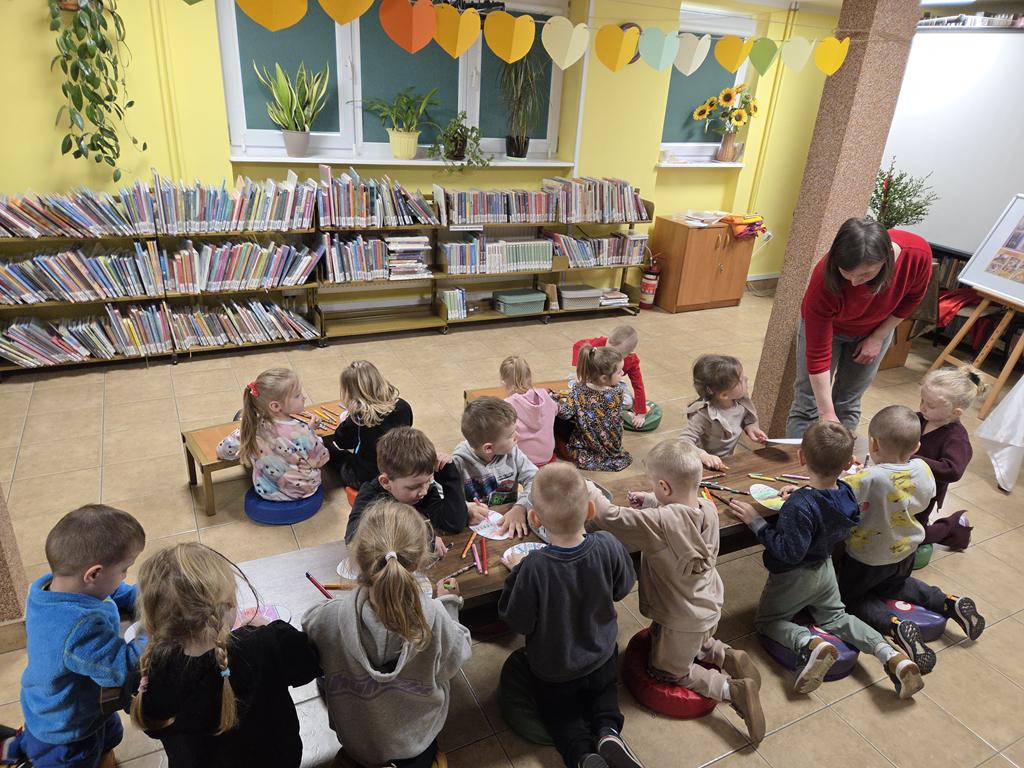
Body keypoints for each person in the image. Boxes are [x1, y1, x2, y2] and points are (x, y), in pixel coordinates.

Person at [727, 422, 924, 699]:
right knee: (837, 616)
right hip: (826, 569)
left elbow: (788, 551)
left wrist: (756, 522)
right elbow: (824, 504)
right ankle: (890, 654)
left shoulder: (800, 506)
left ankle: (809, 644)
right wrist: (801, 492)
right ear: (847, 464)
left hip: (795, 577)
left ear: (801, 457)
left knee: (768, 621)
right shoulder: (846, 491)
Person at [587, 440, 765, 745]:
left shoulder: (657, 522)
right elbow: (681, 516)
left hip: (680, 616)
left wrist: (590, 492)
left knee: (668, 671)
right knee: (695, 641)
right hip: (707, 604)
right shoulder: (707, 507)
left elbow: (609, 518)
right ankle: (725, 654)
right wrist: (652, 500)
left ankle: (731, 689)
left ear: (665, 487)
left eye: (654, 487)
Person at [304, 500, 472, 768]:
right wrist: (449, 603)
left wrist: (334, 611)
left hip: (357, 744)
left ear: (357, 559)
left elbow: (310, 636)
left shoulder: (326, 618)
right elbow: (456, 658)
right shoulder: (434, 616)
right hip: (415, 744)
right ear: (418, 563)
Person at [498, 463, 640, 768]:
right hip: (602, 656)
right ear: (590, 510)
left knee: (562, 719)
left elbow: (519, 620)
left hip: (555, 669)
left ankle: (582, 755)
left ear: (535, 519)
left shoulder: (534, 567)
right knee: (605, 698)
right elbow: (623, 587)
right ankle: (609, 733)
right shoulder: (609, 545)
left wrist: (517, 573)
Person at [131, 543, 320, 768]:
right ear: (230, 603)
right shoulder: (269, 643)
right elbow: (310, 666)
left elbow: (153, 726)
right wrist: (267, 627)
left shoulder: (148, 672)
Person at [836, 405, 985, 674]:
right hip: (905, 551)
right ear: (916, 446)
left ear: (873, 443)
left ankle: (895, 626)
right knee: (897, 584)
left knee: (853, 598)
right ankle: (948, 603)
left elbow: (839, 497)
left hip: (866, 557)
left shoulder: (867, 478)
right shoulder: (923, 468)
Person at [14, 505, 146, 768]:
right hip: (67, 730)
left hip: (79, 703)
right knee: (82, 758)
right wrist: (154, 631)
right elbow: (121, 668)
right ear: (94, 574)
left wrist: (148, 597)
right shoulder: (78, 628)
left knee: (107, 738)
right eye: (124, 569)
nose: (125, 576)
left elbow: (116, 592)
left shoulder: (51, 585)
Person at [786, 218, 933, 438]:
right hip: (830, 330)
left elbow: (912, 299)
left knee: (848, 401)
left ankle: (837, 466)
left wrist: (878, 337)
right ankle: (796, 467)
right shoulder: (823, 279)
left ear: (885, 260)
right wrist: (826, 413)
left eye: (865, 274)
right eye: (847, 272)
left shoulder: (917, 254)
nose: (854, 282)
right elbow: (817, 356)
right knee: (808, 401)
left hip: (876, 328)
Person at [346, 426, 468, 558]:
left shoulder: (423, 491)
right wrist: (424, 537)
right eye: (412, 487)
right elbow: (353, 539)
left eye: (428, 480)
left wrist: (449, 476)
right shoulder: (370, 494)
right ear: (386, 482)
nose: (424, 492)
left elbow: (453, 524)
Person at [216, 367, 330, 501]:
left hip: (268, 491)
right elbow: (322, 459)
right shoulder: (302, 431)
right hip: (303, 491)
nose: (303, 397)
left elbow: (223, 450)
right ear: (275, 406)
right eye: (297, 395)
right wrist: (312, 434)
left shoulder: (251, 427)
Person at [914, 366, 986, 548]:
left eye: (931, 405)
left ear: (956, 412)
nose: (923, 407)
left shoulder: (956, 437)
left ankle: (951, 527)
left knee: (913, 534)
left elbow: (953, 470)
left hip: (926, 493)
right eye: (922, 400)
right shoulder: (919, 418)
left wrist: (915, 460)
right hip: (900, 482)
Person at [453, 397, 538, 538]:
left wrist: (521, 506)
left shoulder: (513, 452)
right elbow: (441, 496)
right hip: (472, 529)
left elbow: (536, 480)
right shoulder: (459, 462)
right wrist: (465, 508)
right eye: (511, 435)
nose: (518, 436)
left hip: (509, 520)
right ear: (488, 448)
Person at [330, 360, 413, 489]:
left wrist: (346, 421)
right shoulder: (403, 406)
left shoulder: (360, 417)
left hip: (369, 479)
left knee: (331, 451)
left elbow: (342, 442)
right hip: (398, 470)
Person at [680, 354, 767, 471]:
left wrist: (751, 426)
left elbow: (748, 417)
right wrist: (703, 455)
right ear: (724, 395)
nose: (746, 379)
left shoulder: (741, 402)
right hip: (700, 466)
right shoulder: (703, 415)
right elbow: (683, 442)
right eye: (740, 380)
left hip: (725, 462)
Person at [556, 345, 632, 472]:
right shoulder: (618, 392)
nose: (623, 374)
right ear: (603, 378)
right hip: (613, 448)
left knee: (559, 421)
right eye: (619, 372)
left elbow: (565, 414)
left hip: (587, 447)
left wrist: (558, 402)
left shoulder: (578, 390)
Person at [571, 325, 649, 429]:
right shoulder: (600, 342)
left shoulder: (632, 361)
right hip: (589, 377)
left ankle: (597, 405)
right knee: (573, 386)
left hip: (612, 383)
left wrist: (641, 412)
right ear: (607, 340)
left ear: (629, 354)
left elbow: (638, 384)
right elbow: (578, 346)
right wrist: (580, 371)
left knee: (628, 402)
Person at [500, 355, 558, 467]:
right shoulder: (544, 395)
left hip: (521, 460)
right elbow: (556, 410)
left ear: (503, 382)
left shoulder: (507, 405)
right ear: (530, 376)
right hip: (547, 455)